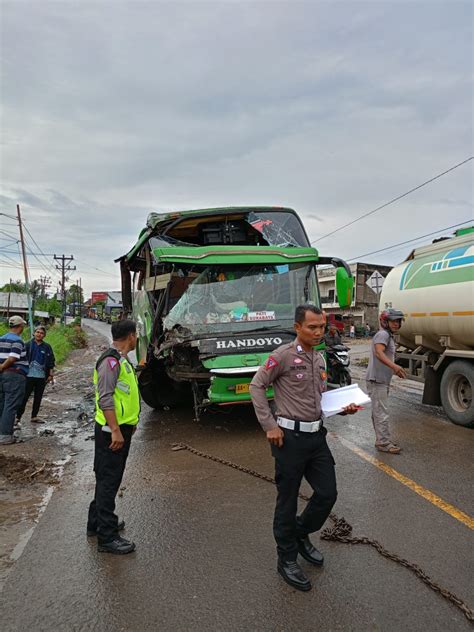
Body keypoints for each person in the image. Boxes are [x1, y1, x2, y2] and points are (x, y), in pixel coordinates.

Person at [249, 305, 359, 592]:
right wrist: (269, 425)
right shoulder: (283, 356)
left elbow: (319, 398)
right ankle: (286, 558)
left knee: (327, 493)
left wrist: (342, 409)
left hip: (316, 437)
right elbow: (256, 387)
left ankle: (299, 533)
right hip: (289, 439)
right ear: (298, 326)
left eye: (321, 327)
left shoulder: (319, 358)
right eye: (312, 327)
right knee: (287, 500)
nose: (318, 332)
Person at [87, 319, 140, 554]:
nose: (137, 338)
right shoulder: (110, 361)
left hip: (119, 428)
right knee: (109, 481)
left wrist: (130, 423)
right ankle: (107, 538)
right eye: (136, 335)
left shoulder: (121, 359)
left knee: (105, 478)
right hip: (112, 432)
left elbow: (124, 394)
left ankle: (97, 523)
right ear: (131, 336)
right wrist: (117, 430)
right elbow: (105, 398)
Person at [366, 308, 406, 454]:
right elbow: (379, 352)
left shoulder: (388, 335)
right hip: (377, 380)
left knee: (378, 411)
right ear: (385, 322)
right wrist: (394, 366)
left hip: (381, 379)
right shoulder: (383, 334)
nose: (396, 324)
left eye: (398, 321)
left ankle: (381, 439)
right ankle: (383, 443)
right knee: (381, 412)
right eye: (393, 321)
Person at [16, 326, 55, 424]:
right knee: (24, 397)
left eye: (41, 333)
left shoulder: (47, 347)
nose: (39, 334)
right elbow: (21, 359)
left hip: (41, 377)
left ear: (44, 335)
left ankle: (34, 416)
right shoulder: (27, 345)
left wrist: (50, 375)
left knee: (38, 397)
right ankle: (18, 417)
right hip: (28, 376)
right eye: (37, 332)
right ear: (34, 333)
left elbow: (51, 361)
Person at [0, 316, 29, 445]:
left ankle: (2, 431)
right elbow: (13, 358)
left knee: (2, 403)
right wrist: (2, 366)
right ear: (20, 326)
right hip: (14, 375)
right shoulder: (18, 341)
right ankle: (5, 435)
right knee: (11, 405)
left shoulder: (1, 339)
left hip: (2, 376)